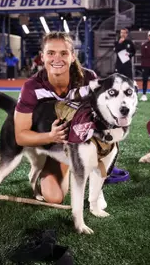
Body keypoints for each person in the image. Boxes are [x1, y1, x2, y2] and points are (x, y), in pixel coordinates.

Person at [14, 31, 128, 204]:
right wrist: (51, 136)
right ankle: (64, 164)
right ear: (42, 57)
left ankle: (96, 175)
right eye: (51, 53)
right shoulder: (32, 87)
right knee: (54, 197)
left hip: (84, 139)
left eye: (64, 53)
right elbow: (20, 136)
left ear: (73, 56)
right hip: (54, 145)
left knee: (109, 130)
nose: (57, 59)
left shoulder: (88, 78)